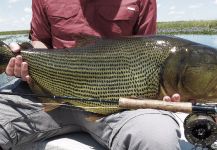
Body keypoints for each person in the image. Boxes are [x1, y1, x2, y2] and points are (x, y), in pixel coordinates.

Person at [1, 0, 181, 149]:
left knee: (159, 139)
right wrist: (25, 64)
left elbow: (148, 50)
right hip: (50, 94)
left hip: (122, 104)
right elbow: (41, 41)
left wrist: (166, 88)